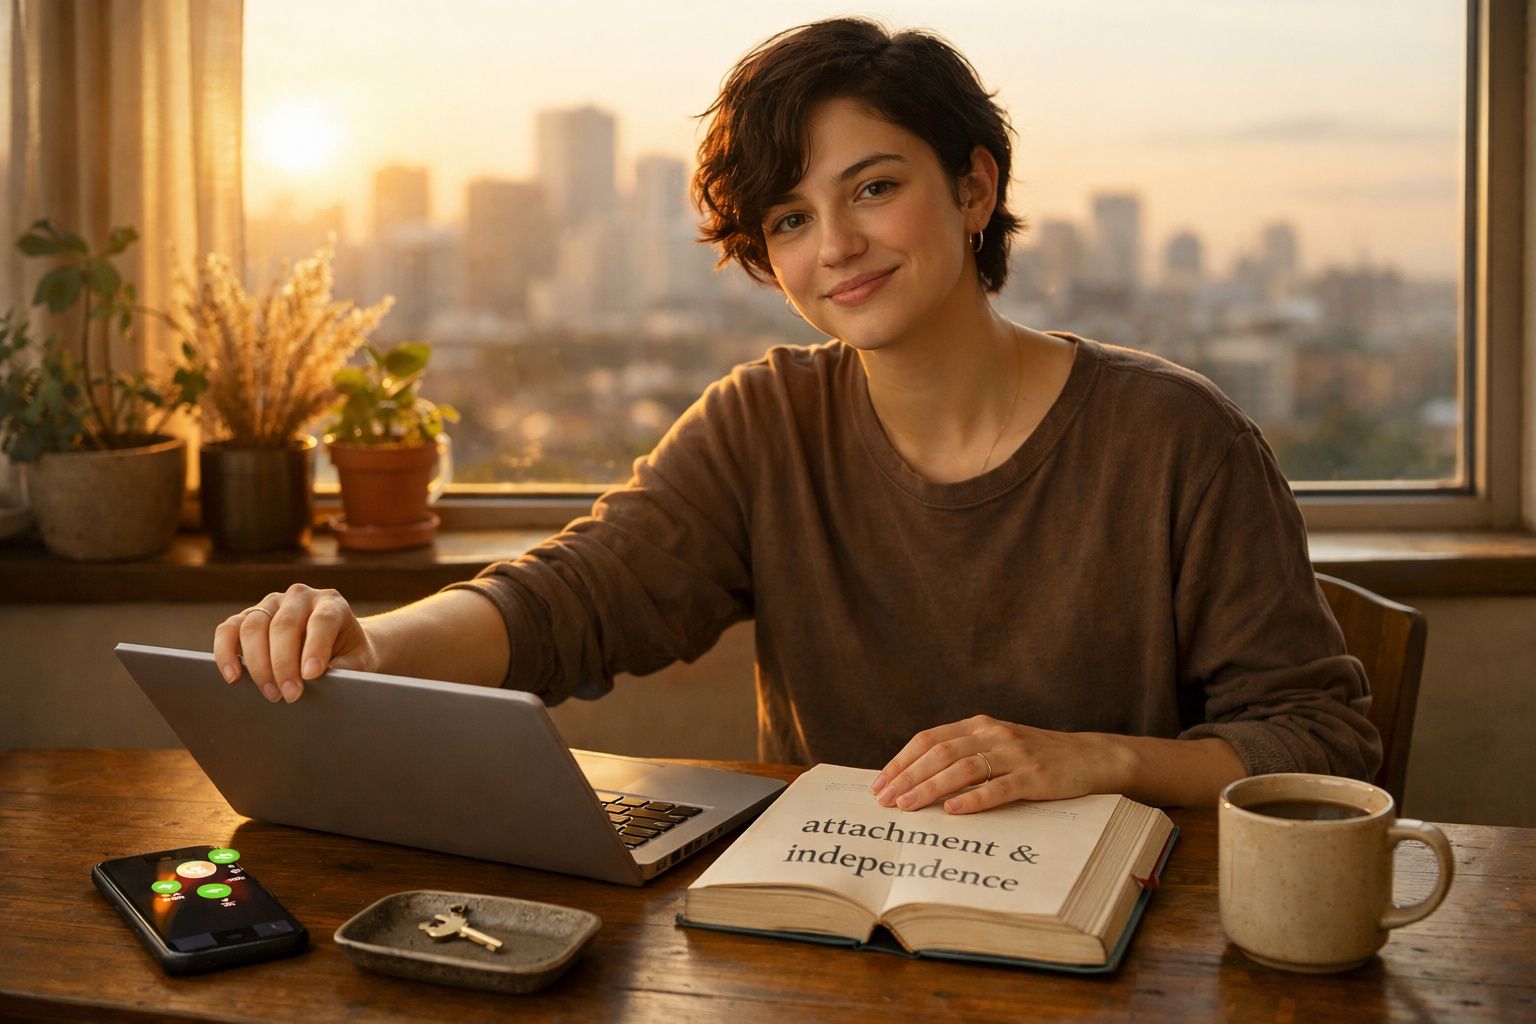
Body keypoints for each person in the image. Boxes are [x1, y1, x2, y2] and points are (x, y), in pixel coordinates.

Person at [215, 18, 1380, 815]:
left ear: (974, 189)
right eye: (787, 219)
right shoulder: (766, 421)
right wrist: (373, 646)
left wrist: (1095, 760)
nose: (837, 248)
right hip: (836, 941)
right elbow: (577, 594)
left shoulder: (1178, 438)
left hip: (1124, 952)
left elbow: (1323, 744)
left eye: (875, 187)